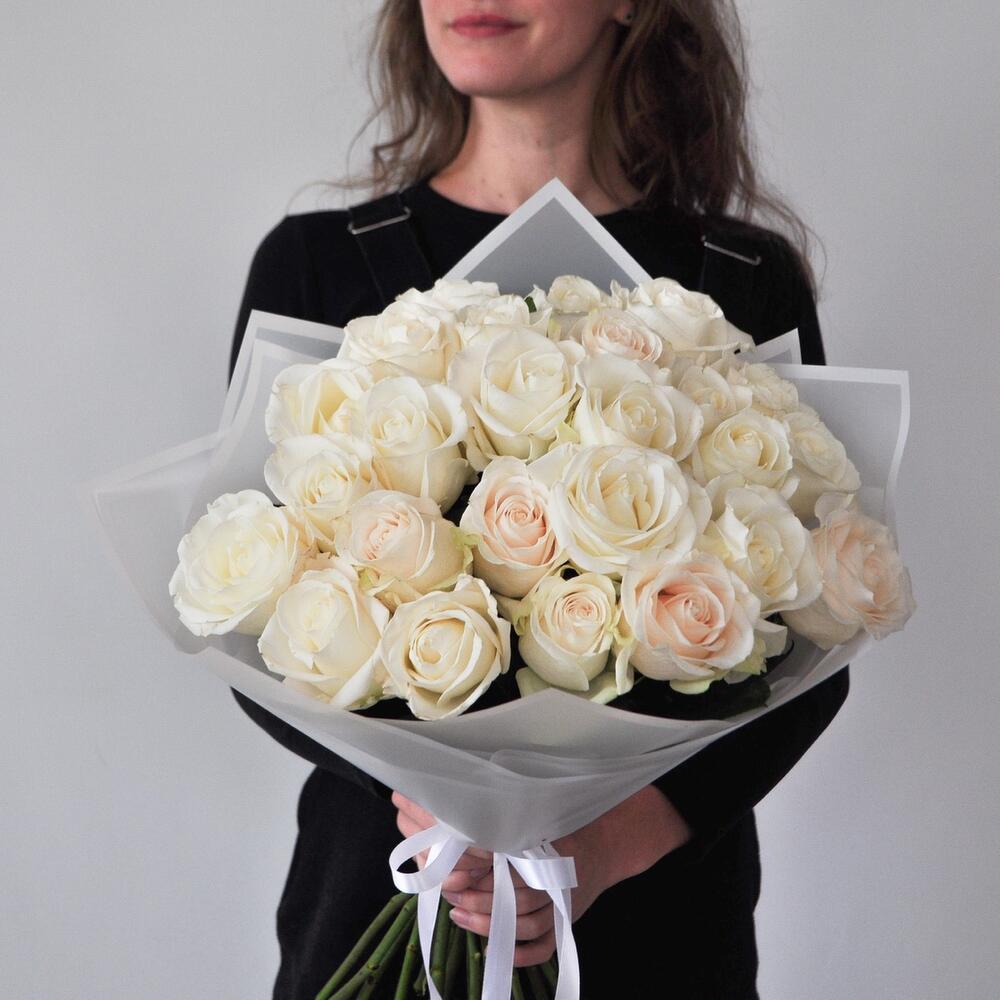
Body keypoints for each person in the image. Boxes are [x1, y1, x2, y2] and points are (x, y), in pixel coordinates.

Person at [229, 2, 850, 997]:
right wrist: (438, 810)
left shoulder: (737, 282)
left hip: (658, 928)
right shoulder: (316, 266)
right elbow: (259, 620)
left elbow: (812, 641)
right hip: (388, 901)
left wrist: (608, 843)